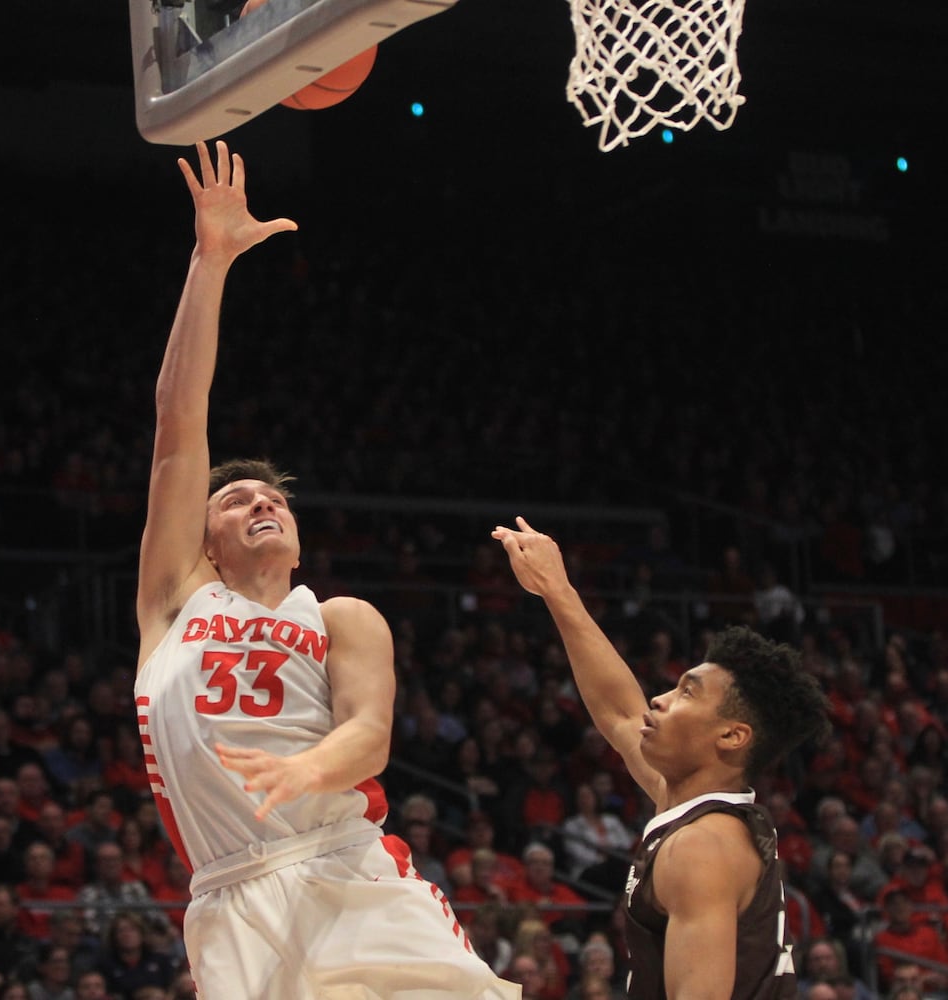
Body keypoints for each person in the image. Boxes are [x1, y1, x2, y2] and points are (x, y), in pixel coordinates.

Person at [131, 140, 514, 999]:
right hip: (230, 894)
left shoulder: (341, 616)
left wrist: (308, 770)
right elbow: (176, 422)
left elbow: (369, 733)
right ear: (204, 541)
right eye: (235, 500)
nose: (260, 501)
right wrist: (211, 258)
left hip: (343, 862)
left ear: (298, 539)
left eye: (275, 498)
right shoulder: (174, 600)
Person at [493, 517, 831, 1000]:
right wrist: (556, 590)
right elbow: (618, 713)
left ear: (733, 736)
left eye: (686, 694)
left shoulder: (702, 849)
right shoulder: (692, 803)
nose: (660, 700)